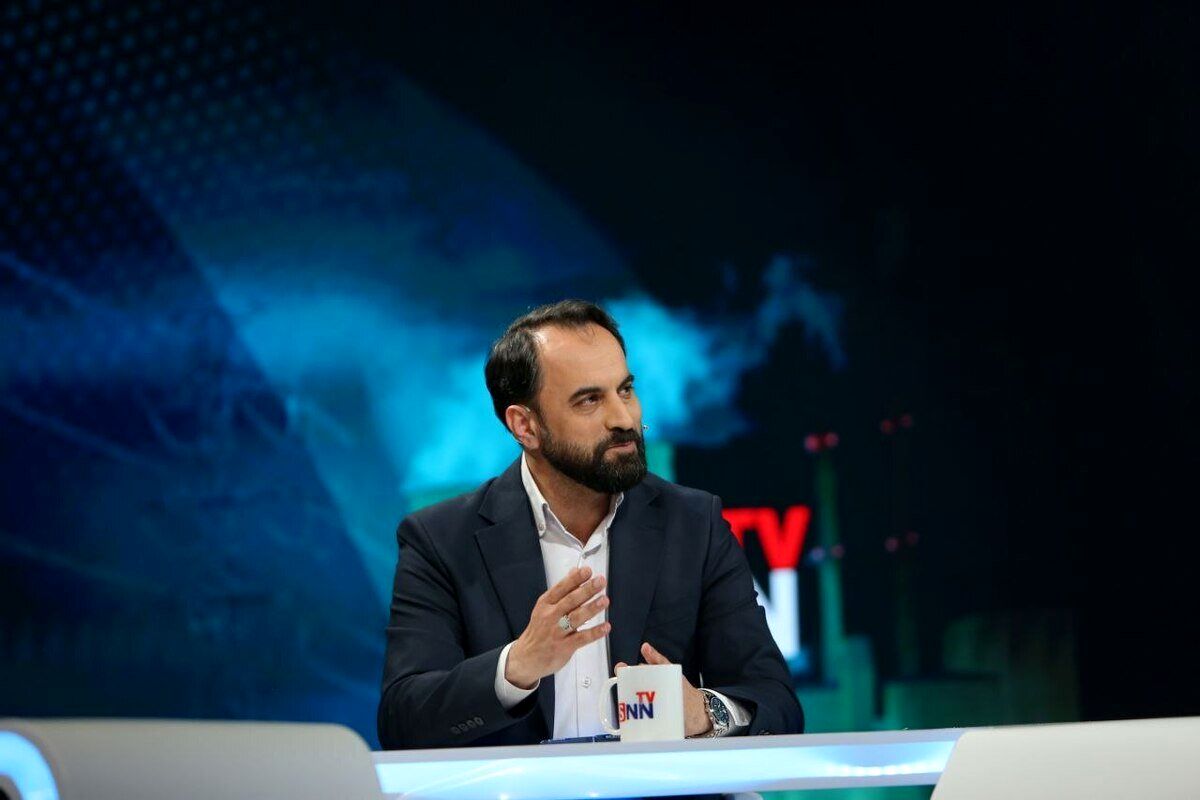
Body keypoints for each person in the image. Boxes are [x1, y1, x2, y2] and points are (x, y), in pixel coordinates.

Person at [378, 300, 804, 749]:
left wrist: (702, 713)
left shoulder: (695, 526)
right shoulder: (440, 541)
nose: (624, 419)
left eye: (625, 390)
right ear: (525, 426)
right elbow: (403, 722)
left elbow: (776, 704)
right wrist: (515, 668)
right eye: (589, 400)